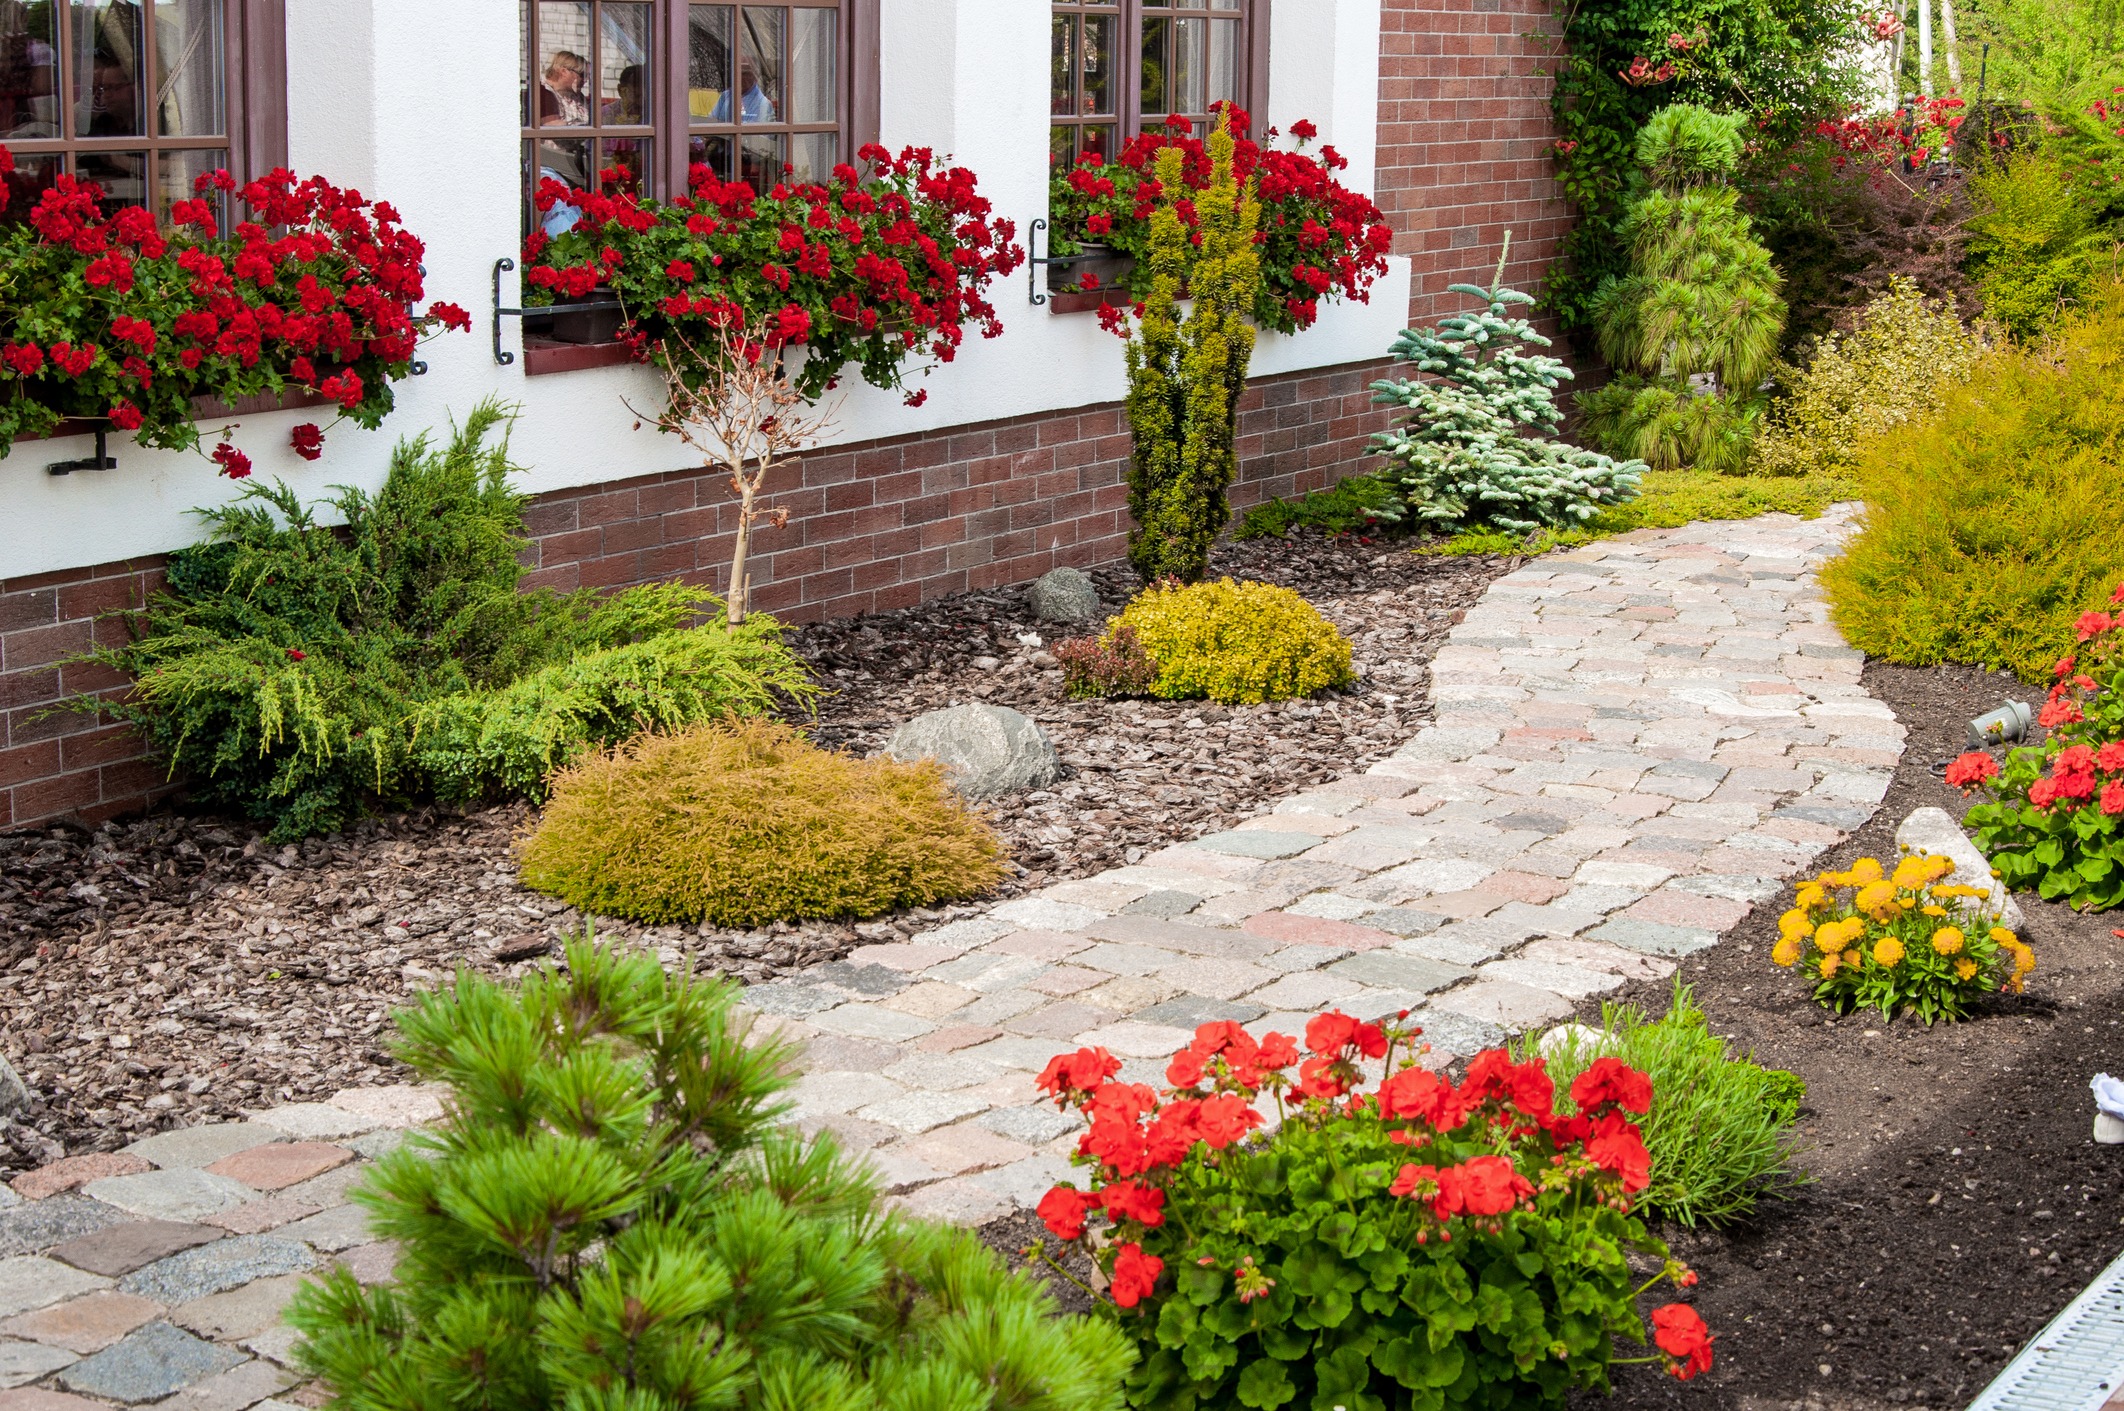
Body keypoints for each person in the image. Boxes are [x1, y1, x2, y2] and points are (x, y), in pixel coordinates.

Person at [708, 56, 774, 124]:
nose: (740, 77)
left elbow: (761, 133)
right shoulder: (725, 96)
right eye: (737, 72)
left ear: (754, 76)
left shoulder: (763, 104)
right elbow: (710, 123)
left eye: (745, 74)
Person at [537, 49, 588, 127]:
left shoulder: (576, 95)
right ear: (564, 71)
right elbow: (553, 128)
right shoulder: (543, 93)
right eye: (582, 75)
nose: (585, 80)